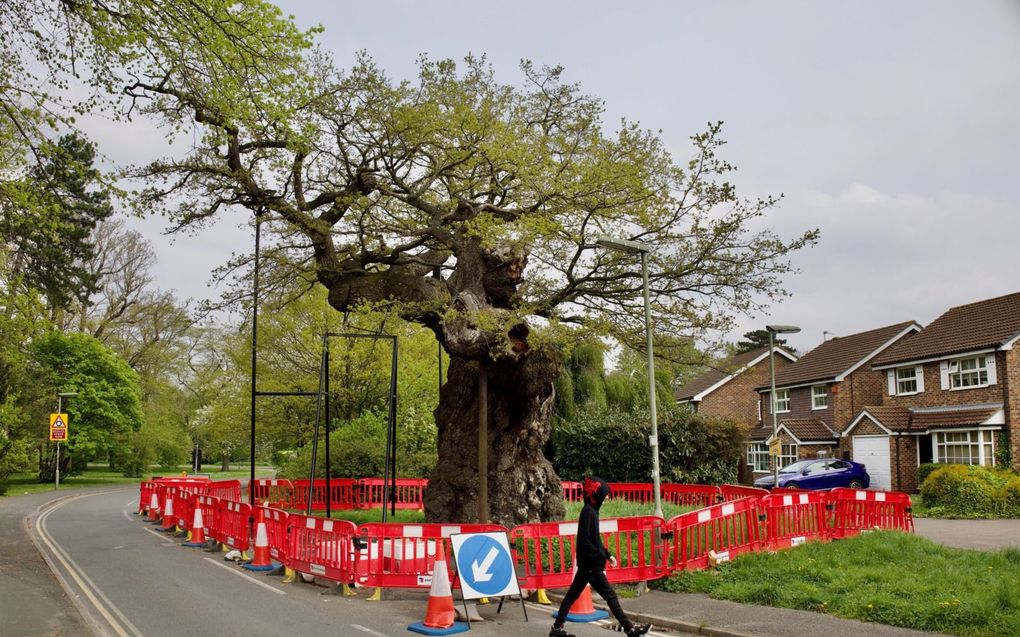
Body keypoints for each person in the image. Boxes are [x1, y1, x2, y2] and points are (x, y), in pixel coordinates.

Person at [549, 476, 651, 637]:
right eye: (605, 495)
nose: (607, 498)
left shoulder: (591, 511)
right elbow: (585, 541)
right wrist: (600, 556)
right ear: (597, 496)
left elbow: (594, 540)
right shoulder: (589, 513)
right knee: (610, 596)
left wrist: (607, 555)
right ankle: (630, 629)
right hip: (591, 565)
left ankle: (556, 629)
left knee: (572, 595)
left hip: (588, 563)